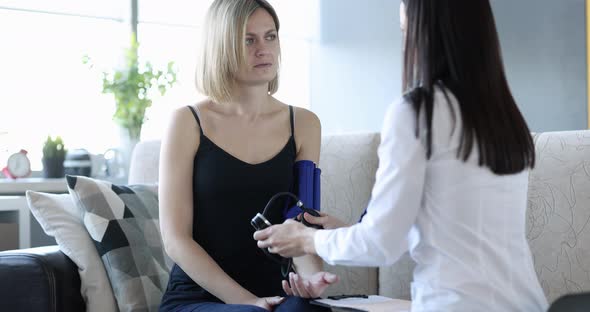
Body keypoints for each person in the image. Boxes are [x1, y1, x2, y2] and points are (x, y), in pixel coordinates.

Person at [254, 0, 549, 311]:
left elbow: (382, 245)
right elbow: (454, 231)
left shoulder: (418, 112)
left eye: (405, 30)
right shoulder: (505, 116)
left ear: (426, 35)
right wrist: (352, 233)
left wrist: (305, 239)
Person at [158, 0, 337, 311]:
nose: (263, 49)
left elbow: (301, 225)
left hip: (275, 294)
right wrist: (249, 302)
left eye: (270, 36)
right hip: (199, 299)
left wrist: (312, 280)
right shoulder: (187, 122)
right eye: (248, 39)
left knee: (308, 309)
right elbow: (176, 240)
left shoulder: (305, 124)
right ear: (221, 47)